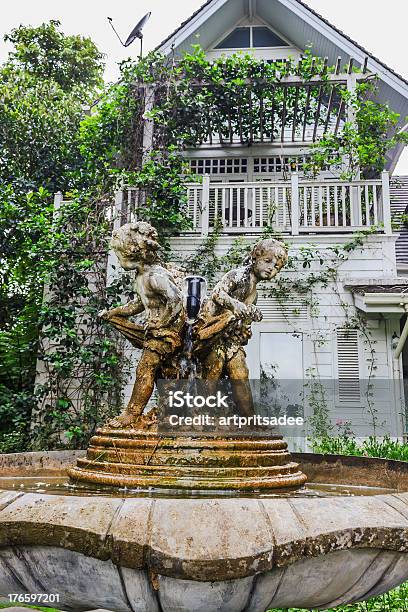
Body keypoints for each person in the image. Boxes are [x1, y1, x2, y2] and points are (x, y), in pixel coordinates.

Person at [99, 222, 184, 428]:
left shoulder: (156, 276)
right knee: (162, 375)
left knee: (145, 369)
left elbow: (177, 300)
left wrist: (162, 324)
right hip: (155, 332)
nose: (118, 259)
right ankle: (172, 415)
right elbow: (140, 304)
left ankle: (131, 414)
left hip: (165, 334)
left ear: (133, 252)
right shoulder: (142, 277)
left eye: (120, 254)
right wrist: (115, 312)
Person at [194, 238, 288, 417]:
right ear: (255, 258)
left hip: (229, 338)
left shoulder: (254, 294)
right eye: (268, 261)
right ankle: (203, 415)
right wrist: (234, 305)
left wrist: (246, 325)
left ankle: (249, 418)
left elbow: (242, 324)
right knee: (213, 371)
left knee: (241, 373)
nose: (271, 268)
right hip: (212, 333)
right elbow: (217, 293)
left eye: (276, 267)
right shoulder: (238, 275)